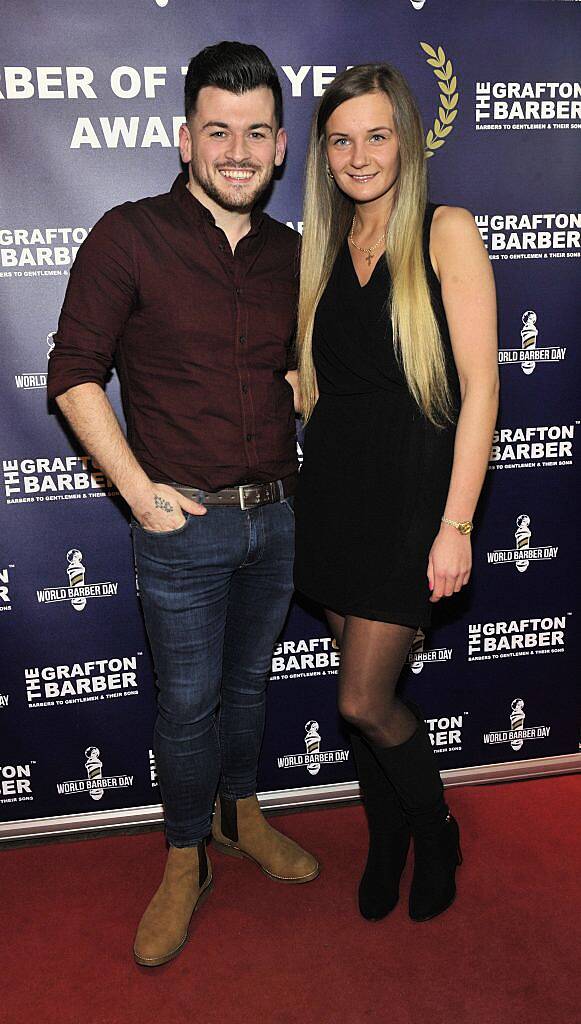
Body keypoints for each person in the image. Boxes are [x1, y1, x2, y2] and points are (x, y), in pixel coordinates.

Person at [47, 41, 319, 968]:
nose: (237, 150)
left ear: (281, 145)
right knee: (188, 703)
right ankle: (182, 856)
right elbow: (73, 373)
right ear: (183, 138)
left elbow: (298, 368)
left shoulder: (293, 252)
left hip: (277, 517)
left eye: (255, 133)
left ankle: (241, 816)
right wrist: (139, 496)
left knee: (247, 691)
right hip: (182, 525)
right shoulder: (129, 234)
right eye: (217, 131)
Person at [294, 63, 498, 923]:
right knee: (360, 694)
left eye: (376, 135)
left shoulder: (445, 230)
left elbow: (481, 389)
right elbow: (309, 390)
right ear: (324, 154)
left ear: (406, 140)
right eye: (341, 139)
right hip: (333, 496)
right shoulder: (320, 243)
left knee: (361, 700)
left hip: (413, 498)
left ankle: (435, 831)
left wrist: (456, 524)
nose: (358, 154)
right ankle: (386, 840)